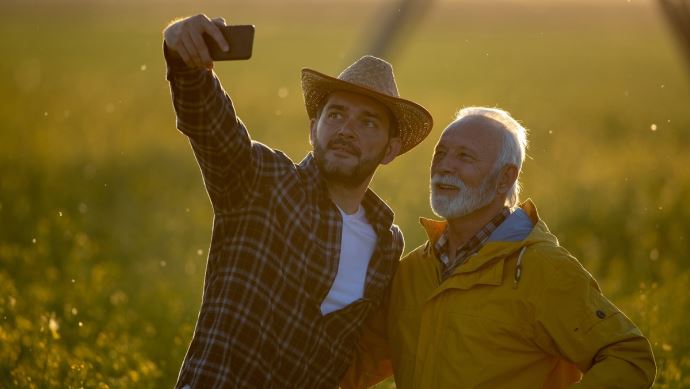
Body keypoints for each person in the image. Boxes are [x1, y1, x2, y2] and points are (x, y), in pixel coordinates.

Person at [161, 14, 433, 388]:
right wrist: (182, 54)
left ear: (390, 150)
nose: (346, 130)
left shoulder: (387, 246)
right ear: (312, 129)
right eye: (336, 114)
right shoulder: (262, 181)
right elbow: (210, 124)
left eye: (368, 122)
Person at [345, 107, 656, 388]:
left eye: (465, 156)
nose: (445, 167)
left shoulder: (541, 269)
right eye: (440, 153)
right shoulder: (412, 272)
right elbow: (350, 369)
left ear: (505, 178)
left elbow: (628, 357)